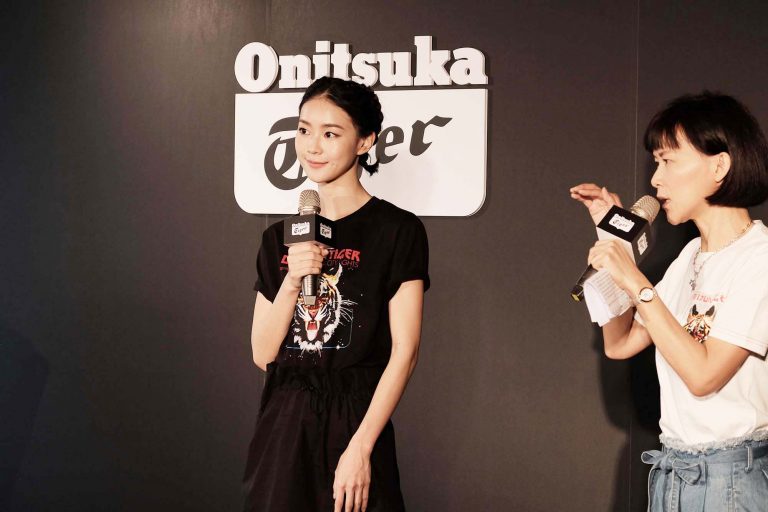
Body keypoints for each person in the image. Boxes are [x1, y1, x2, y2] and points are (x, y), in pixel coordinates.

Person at [571, 92, 768, 511]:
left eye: (668, 161)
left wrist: (637, 283)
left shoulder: (759, 258)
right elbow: (620, 343)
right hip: (673, 474)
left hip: (729, 482)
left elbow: (704, 376)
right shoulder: (689, 257)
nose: (656, 180)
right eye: (655, 163)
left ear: (719, 165)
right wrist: (616, 252)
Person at [243, 76, 429, 512]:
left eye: (330, 134)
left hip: (357, 417)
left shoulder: (397, 231)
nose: (313, 146)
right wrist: (293, 280)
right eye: (304, 130)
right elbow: (262, 354)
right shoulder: (278, 238)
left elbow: (405, 352)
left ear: (365, 141)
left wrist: (361, 447)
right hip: (285, 422)